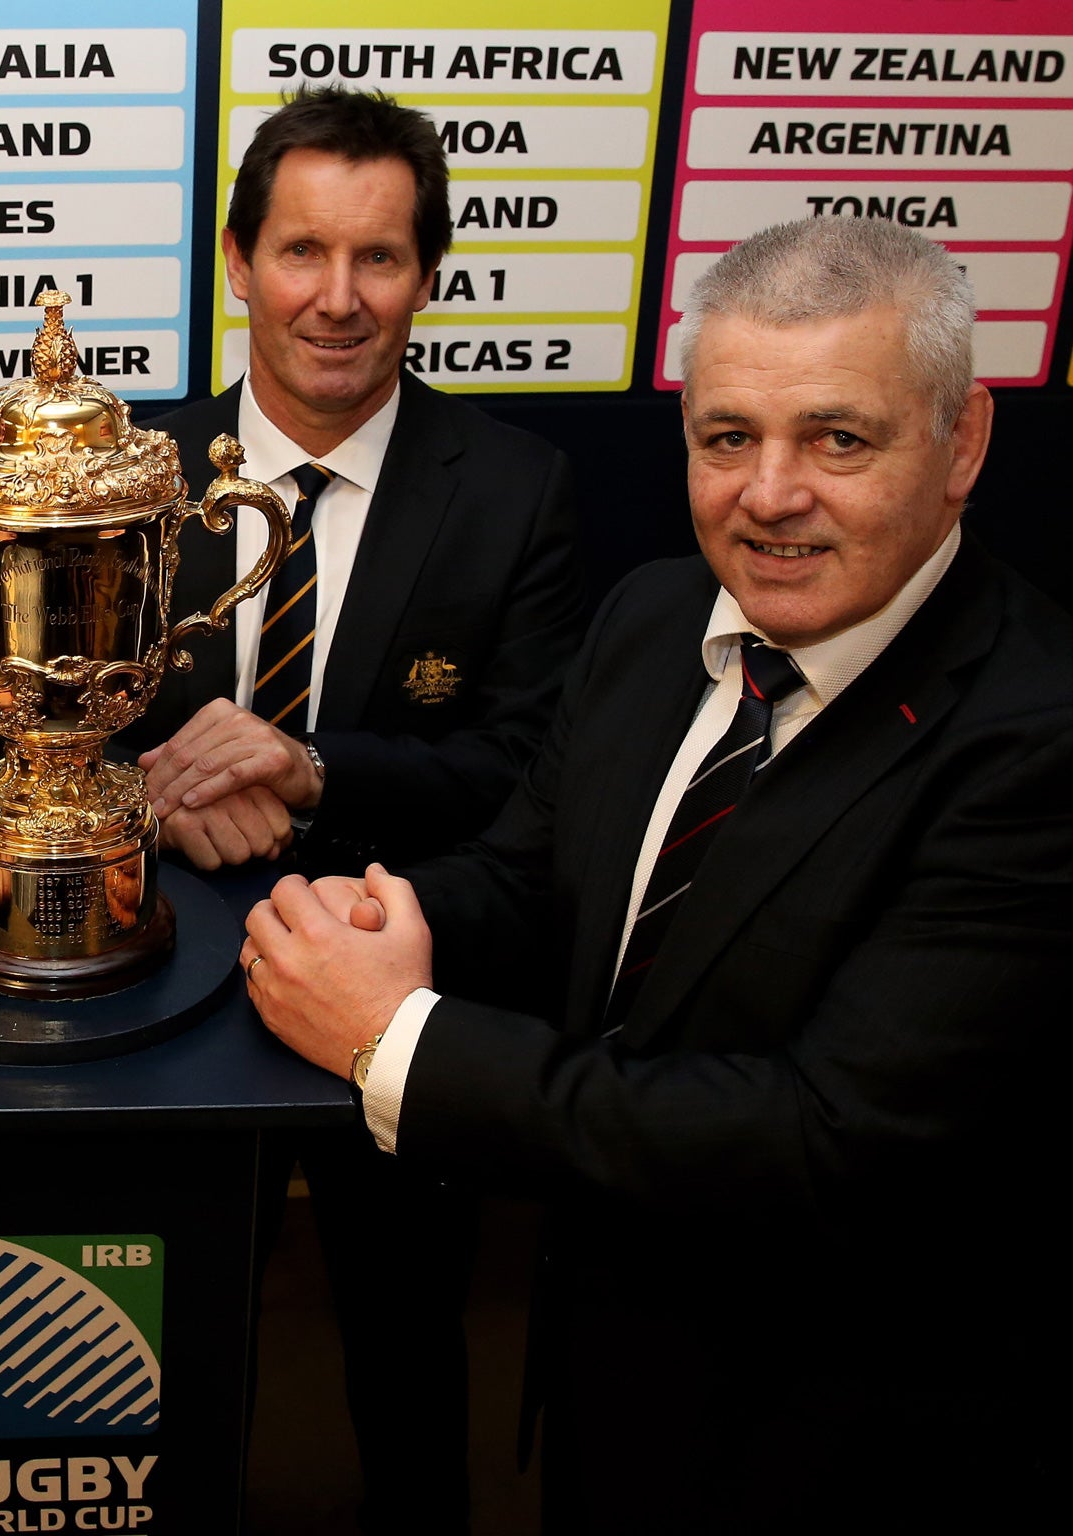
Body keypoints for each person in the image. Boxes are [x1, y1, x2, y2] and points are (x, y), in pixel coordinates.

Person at [243, 216, 1067, 1533]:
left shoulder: (1039, 740)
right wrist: (362, 926)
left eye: (837, 440)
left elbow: (820, 1141)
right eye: (728, 437)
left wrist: (399, 1041)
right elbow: (534, 881)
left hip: (858, 1446)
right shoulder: (652, 618)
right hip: (605, 1375)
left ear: (960, 445)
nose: (769, 494)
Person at [132, 89, 584, 1533]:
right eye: (303, 251)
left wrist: (310, 771)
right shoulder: (133, 482)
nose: (337, 299)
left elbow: (535, 772)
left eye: (379, 259)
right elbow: (71, 727)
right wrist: (151, 799)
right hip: (170, 978)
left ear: (428, 278)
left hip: (404, 975)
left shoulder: (519, 493)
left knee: (407, 1344)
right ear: (236, 261)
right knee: (162, 1338)